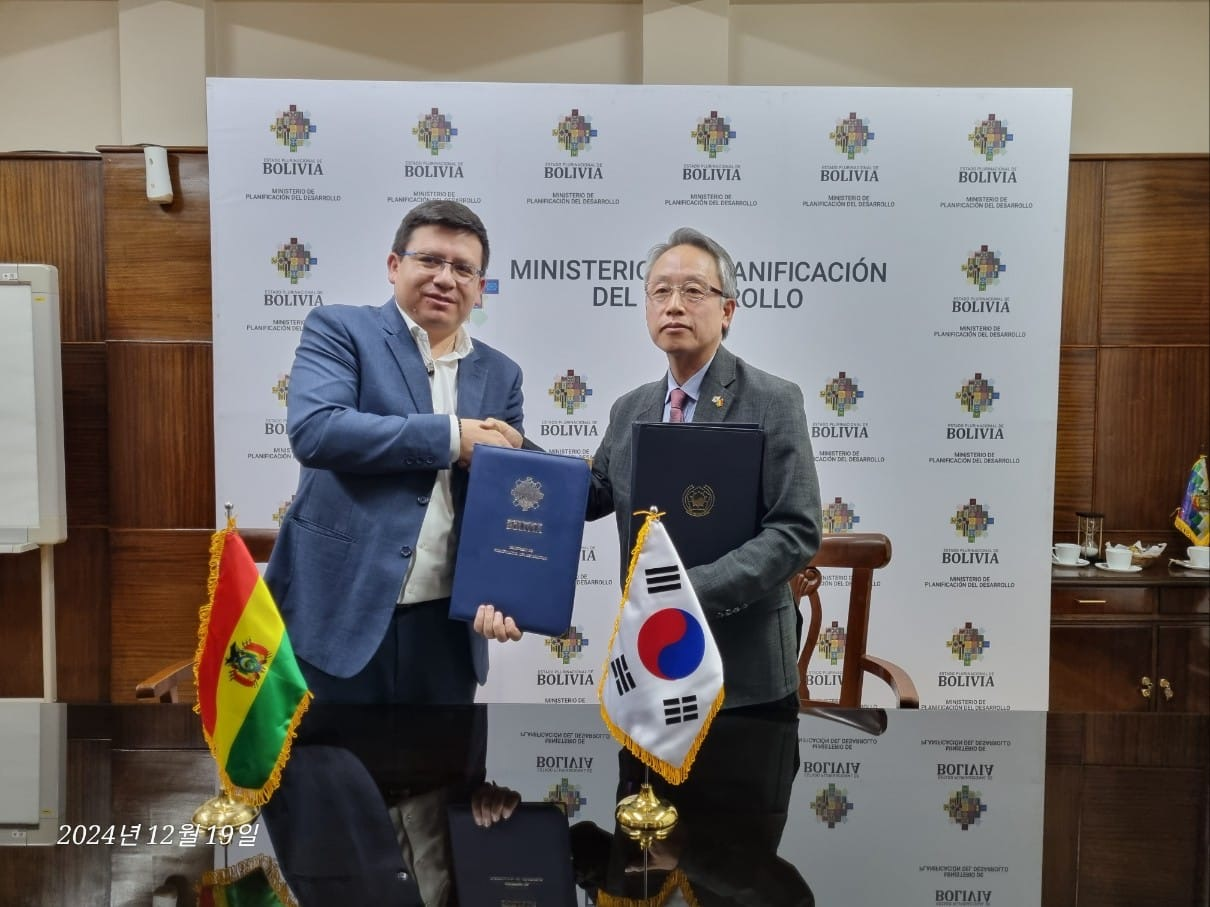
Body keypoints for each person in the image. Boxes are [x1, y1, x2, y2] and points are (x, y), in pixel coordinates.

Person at [478, 226, 822, 711]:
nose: (674, 304)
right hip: (647, 659)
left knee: (745, 788)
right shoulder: (631, 408)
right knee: (638, 788)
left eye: (693, 291)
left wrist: (682, 593)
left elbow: (795, 530)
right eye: (660, 291)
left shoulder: (773, 400)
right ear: (646, 307)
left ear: (727, 312)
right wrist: (519, 449)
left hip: (743, 673)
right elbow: (594, 493)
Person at [264, 200, 525, 705]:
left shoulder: (502, 373)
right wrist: (453, 437)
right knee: (326, 779)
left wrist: (510, 589)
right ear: (394, 266)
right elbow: (317, 431)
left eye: (463, 268)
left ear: (480, 286)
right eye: (429, 260)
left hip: (449, 629)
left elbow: (504, 499)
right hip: (338, 618)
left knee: (444, 780)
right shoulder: (341, 330)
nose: (445, 278)